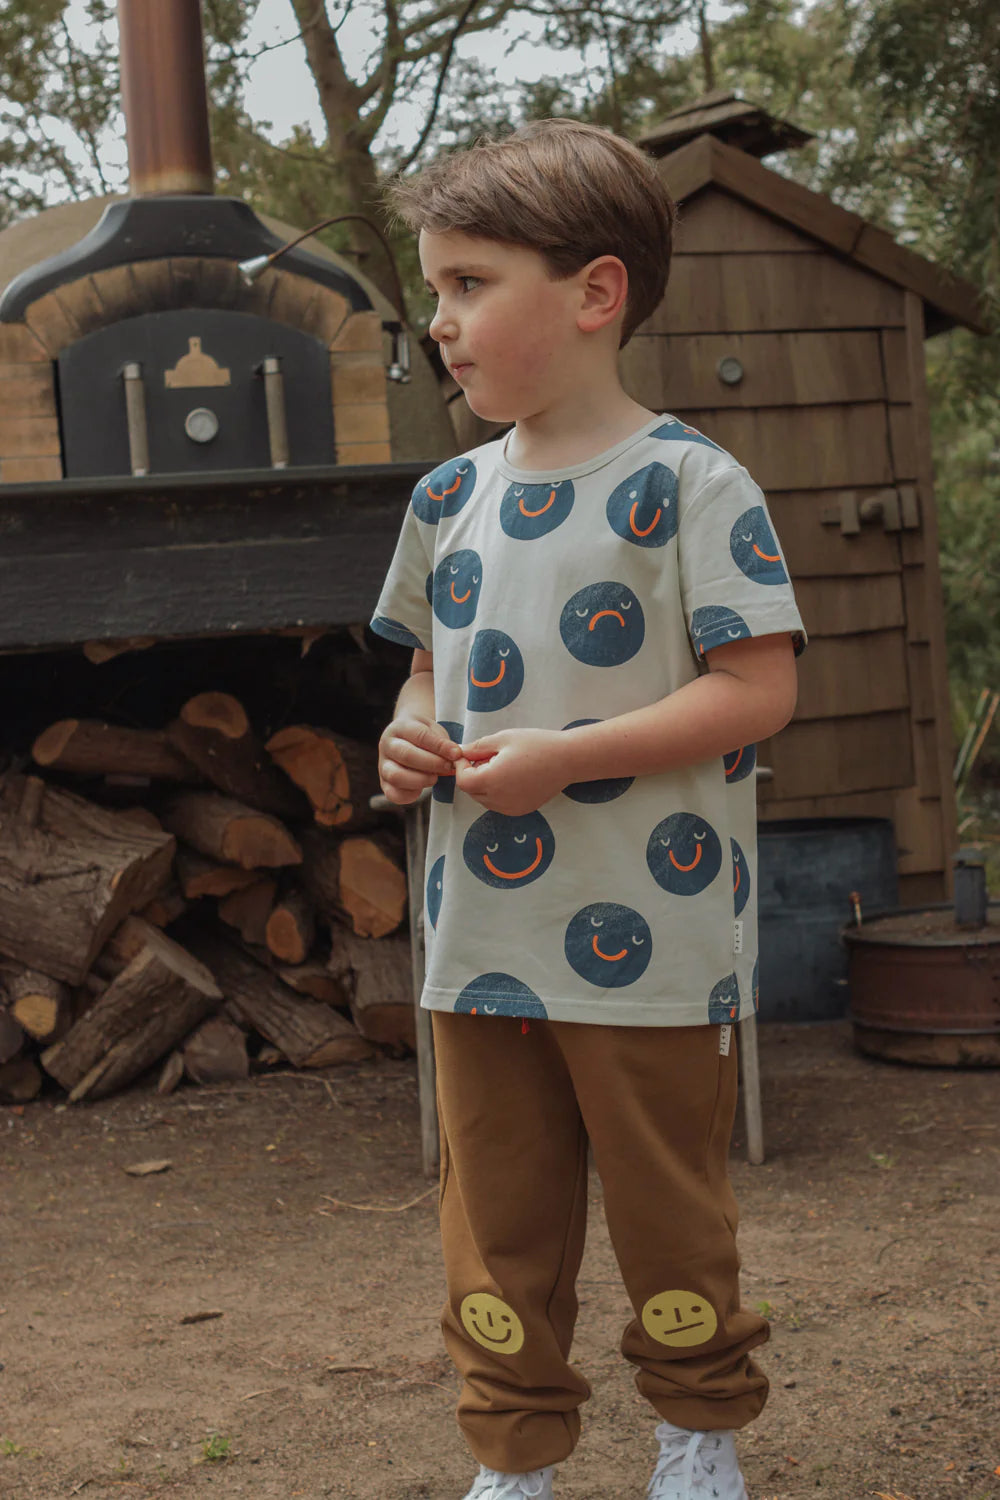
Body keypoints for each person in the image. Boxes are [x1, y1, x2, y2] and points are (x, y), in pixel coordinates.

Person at [370, 119, 805, 1500]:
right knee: (494, 1220)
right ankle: (515, 1457)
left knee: (672, 1212)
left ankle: (700, 1434)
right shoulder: (448, 498)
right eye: (435, 289)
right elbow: (431, 667)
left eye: (468, 284)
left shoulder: (691, 486)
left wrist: (569, 756)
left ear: (594, 293)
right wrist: (407, 736)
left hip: (652, 937)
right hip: (481, 936)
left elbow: (758, 690)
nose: (439, 321)